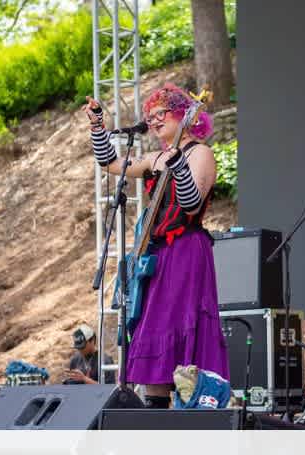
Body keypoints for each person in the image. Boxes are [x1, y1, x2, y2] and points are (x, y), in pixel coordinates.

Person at [84, 84, 229, 409]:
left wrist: (177, 167)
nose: (154, 120)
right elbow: (110, 164)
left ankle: (192, 408)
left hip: (187, 251)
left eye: (161, 113)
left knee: (181, 324)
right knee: (154, 326)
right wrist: (97, 126)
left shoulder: (200, 153)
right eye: (150, 117)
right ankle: (155, 412)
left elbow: (191, 206)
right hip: (158, 255)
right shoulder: (155, 156)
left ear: (183, 114)